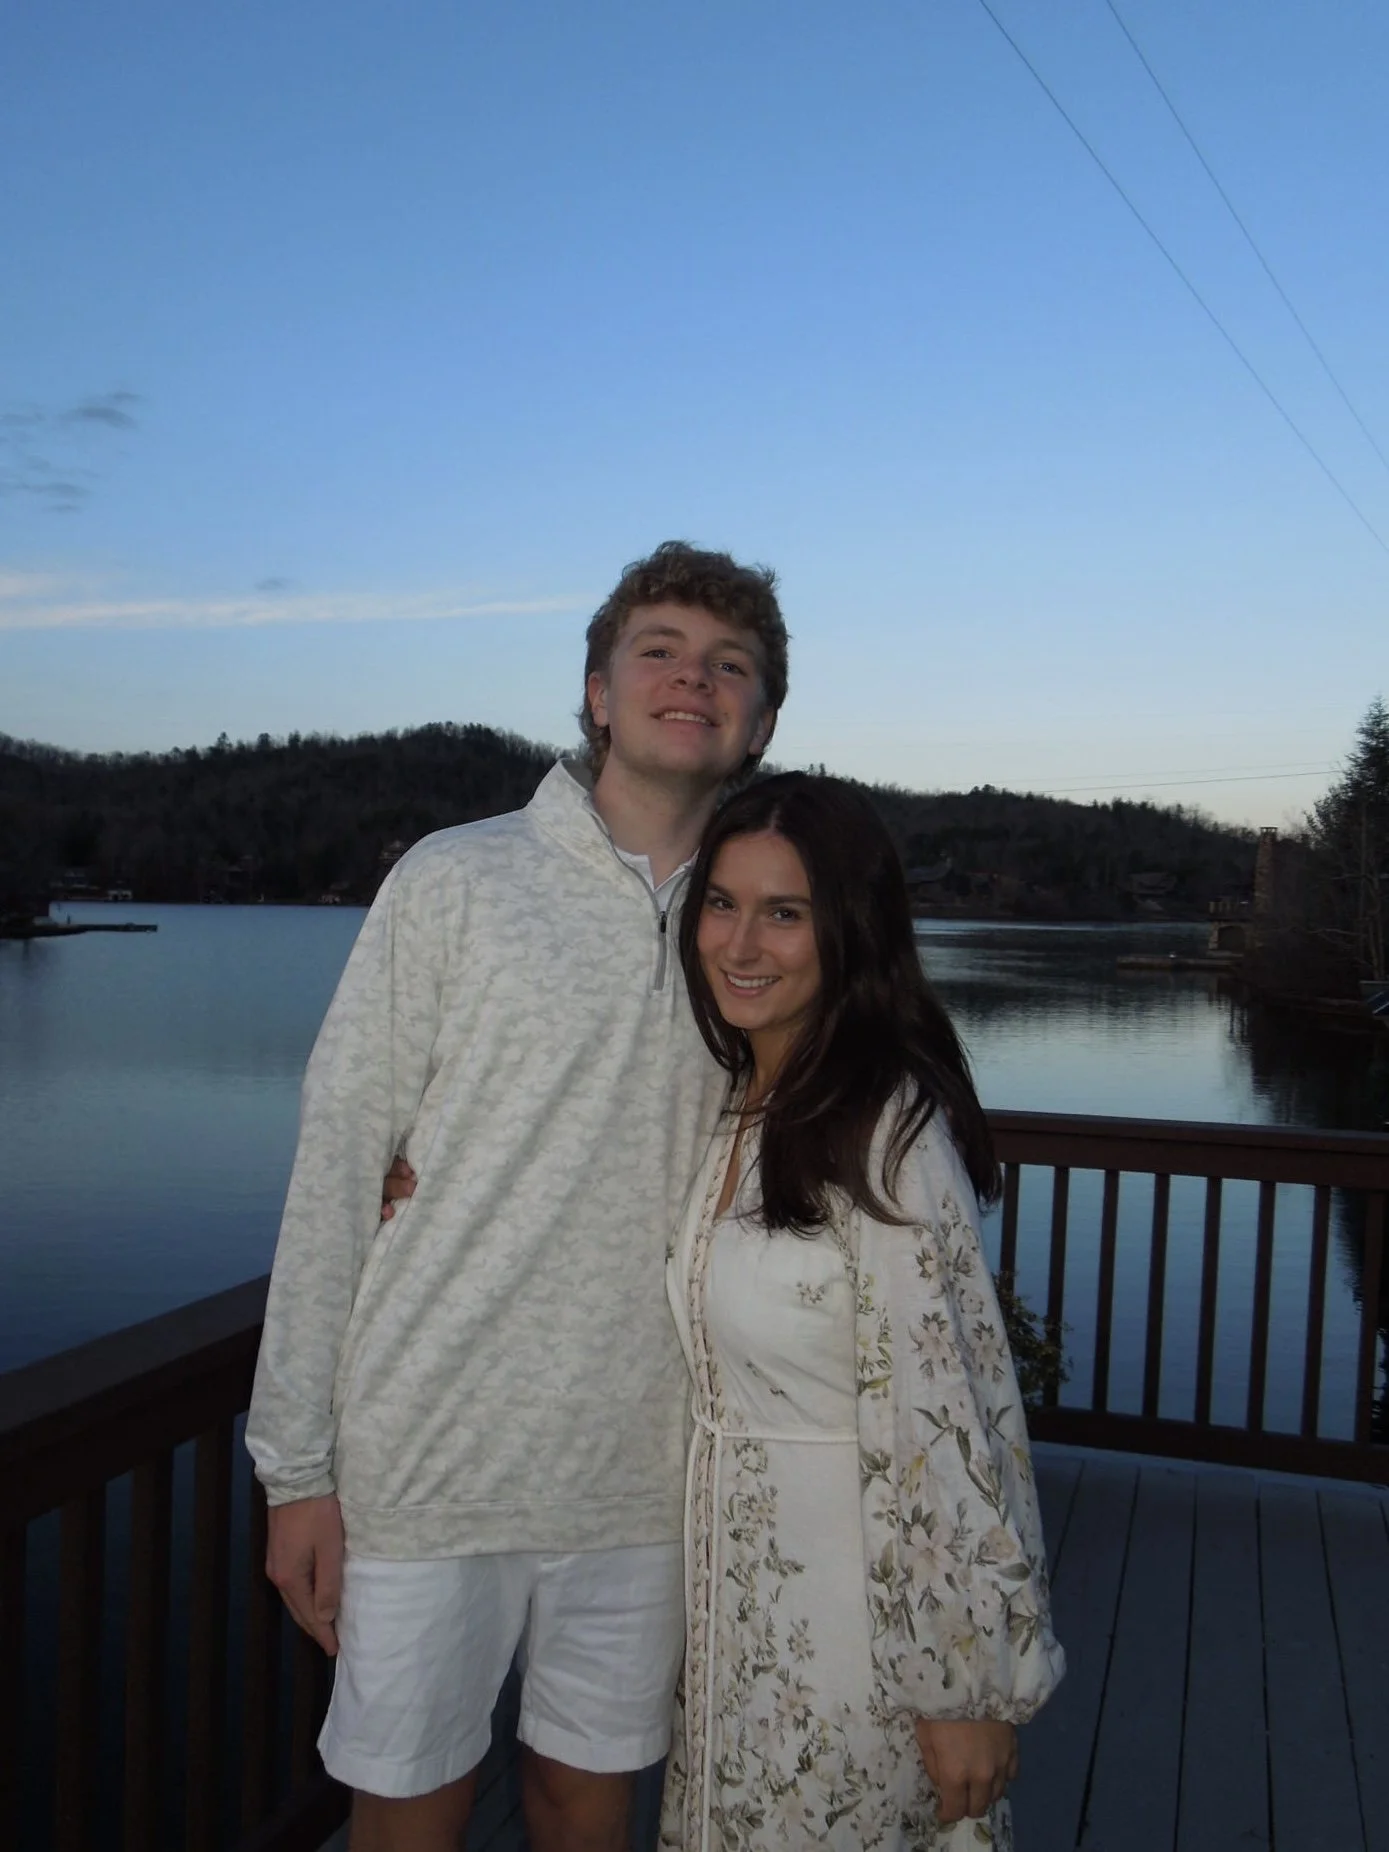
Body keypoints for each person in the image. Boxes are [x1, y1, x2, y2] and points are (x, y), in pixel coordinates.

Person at [245, 540, 789, 1852]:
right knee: (409, 1813)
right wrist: (296, 1470)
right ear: (598, 694)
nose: (693, 679)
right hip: (432, 1458)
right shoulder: (457, 878)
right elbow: (338, 1165)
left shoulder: (756, 931)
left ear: (761, 722)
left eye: (729, 665)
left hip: (645, 1473)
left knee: (584, 1806)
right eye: (659, 651)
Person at [660, 773, 1064, 1852]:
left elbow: (950, 1410)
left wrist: (962, 1680)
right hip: (734, 1617)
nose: (741, 942)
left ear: (850, 930)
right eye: (721, 903)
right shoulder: (738, 1099)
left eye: (785, 912)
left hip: (855, 1633)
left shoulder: (887, 1131)